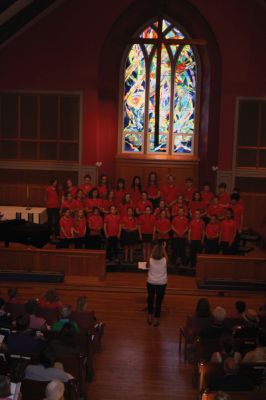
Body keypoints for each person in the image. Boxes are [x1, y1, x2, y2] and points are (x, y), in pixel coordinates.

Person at [146, 243, 168, 327]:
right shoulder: (165, 260)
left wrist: (153, 251)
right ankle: (156, 320)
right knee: (159, 302)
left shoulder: (150, 260)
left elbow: (147, 264)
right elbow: (165, 255)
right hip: (162, 283)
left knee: (150, 299)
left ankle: (149, 317)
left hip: (151, 282)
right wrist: (163, 248)